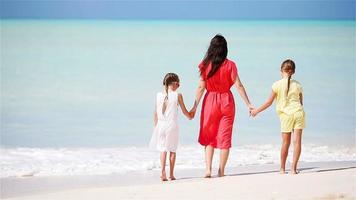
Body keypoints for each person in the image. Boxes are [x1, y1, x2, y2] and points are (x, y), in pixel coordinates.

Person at [190, 34, 254, 178]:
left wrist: (194, 106)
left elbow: (201, 87)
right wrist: (248, 104)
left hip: (210, 101)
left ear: (211, 48)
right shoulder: (230, 65)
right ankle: (221, 171)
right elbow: (238, 85)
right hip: (227, 101)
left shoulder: (205, 64)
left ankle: (208, 170)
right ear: (225, 49)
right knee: (225, 137)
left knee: (209, 136)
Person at [250, 59, 305, 174]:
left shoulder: (276, 85)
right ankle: (293, 169)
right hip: (299, 113)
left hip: (286, 115)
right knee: (297, 142)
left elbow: (268, 103)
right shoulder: (298, 85)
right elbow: (301, 102)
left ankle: (282, 169)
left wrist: (256, 111)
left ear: (281, 70)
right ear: (293, 72)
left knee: (286, 142)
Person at [150, 73, 192, 181]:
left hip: (161, 125)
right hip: (172, 125)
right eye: (178, 84)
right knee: (172, 150)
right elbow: (184, 111)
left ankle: (162, 172)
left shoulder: (158, 95)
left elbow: (155, 113)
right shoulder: (178, 95)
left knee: (162, 149)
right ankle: (171, 174)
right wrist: (191, 115)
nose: (178, 86)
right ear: (173, 83)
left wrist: (156, 127)